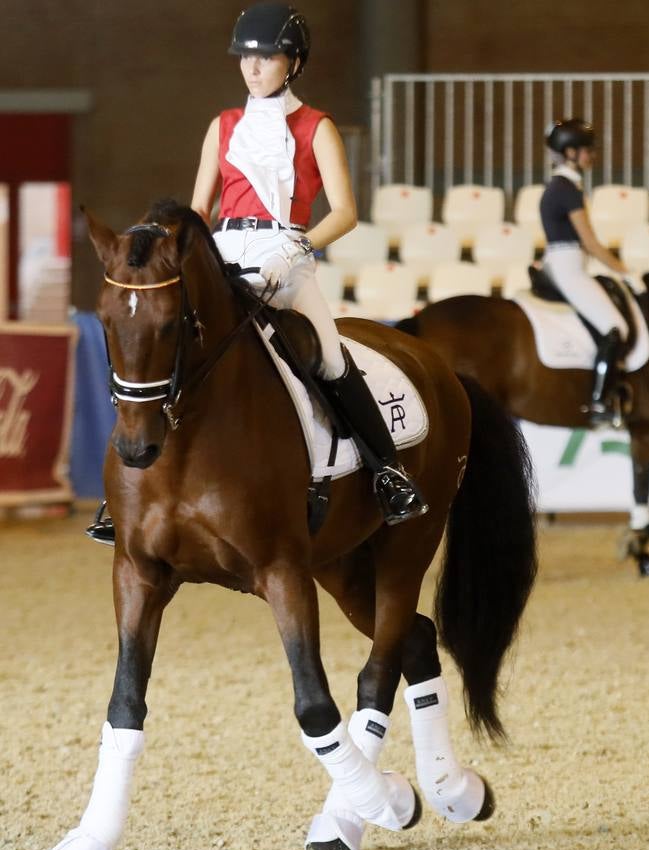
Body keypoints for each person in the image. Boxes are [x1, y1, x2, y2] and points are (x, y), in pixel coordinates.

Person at [87, 2, 427, 546]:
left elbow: (346, 212)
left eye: (267, 57)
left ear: (292, 63)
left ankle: (388, 473)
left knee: (332, 358)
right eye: (246, 57)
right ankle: (123, 490)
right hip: (224, 252)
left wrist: (298, 246)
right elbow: (199, 209)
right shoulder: (223, 127)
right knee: (166, 352)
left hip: (286, 252)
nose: (253, 67)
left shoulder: (317, 127)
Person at [540, 117, 637, 429]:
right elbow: (591, 243)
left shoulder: (564, 186)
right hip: (569, 266)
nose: (591, 155)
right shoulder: (566, 189)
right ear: (570, 153)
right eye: (586, 150)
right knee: (615, 327)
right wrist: (625, 272)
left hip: (567, 262)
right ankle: (599, 401)